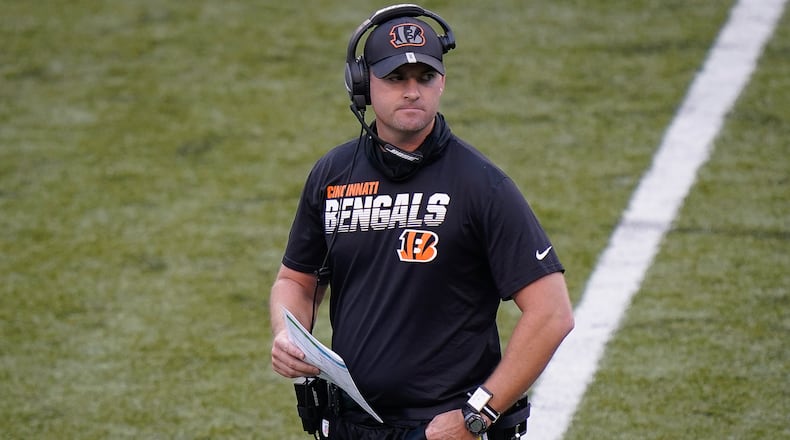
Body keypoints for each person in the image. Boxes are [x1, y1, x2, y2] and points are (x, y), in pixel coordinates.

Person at [270, 4, 574, 439]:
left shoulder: (481, 186)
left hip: (445, 430)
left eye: (425, 78)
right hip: (351, 426)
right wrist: (287, 336)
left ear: (442, 83)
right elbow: (296, 281)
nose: (412, 91)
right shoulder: (332, 176)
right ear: (362, 85)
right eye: (395, 78)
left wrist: (477, 414)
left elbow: (552, 313)